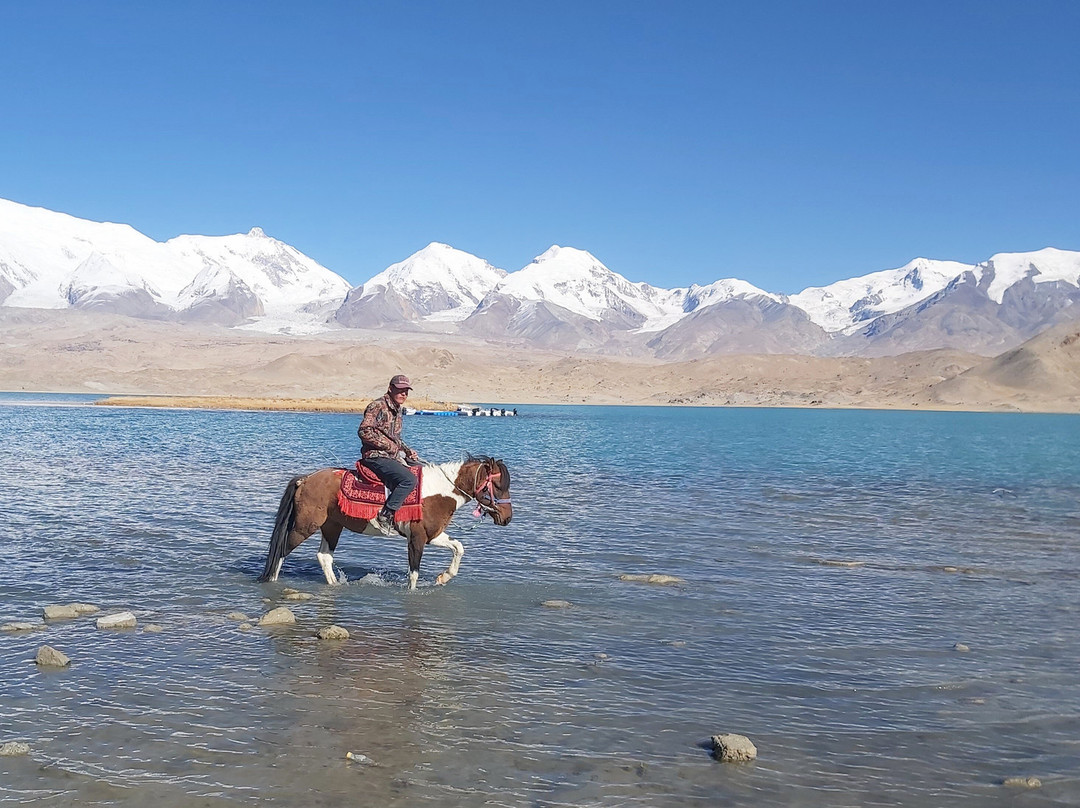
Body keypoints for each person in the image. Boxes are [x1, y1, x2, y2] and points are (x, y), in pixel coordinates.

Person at [358, 374, 422, 535]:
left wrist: (407, 450)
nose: (403, 394)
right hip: (375, 455)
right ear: (390, 389)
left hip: (390, 455)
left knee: (422, 470)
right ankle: (386, 515)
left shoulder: (397, 409)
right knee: (409, 480)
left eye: (406, 391)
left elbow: (395, 438)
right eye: (400, 390)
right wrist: (389, 447)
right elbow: (364, 431)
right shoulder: (377, 406)